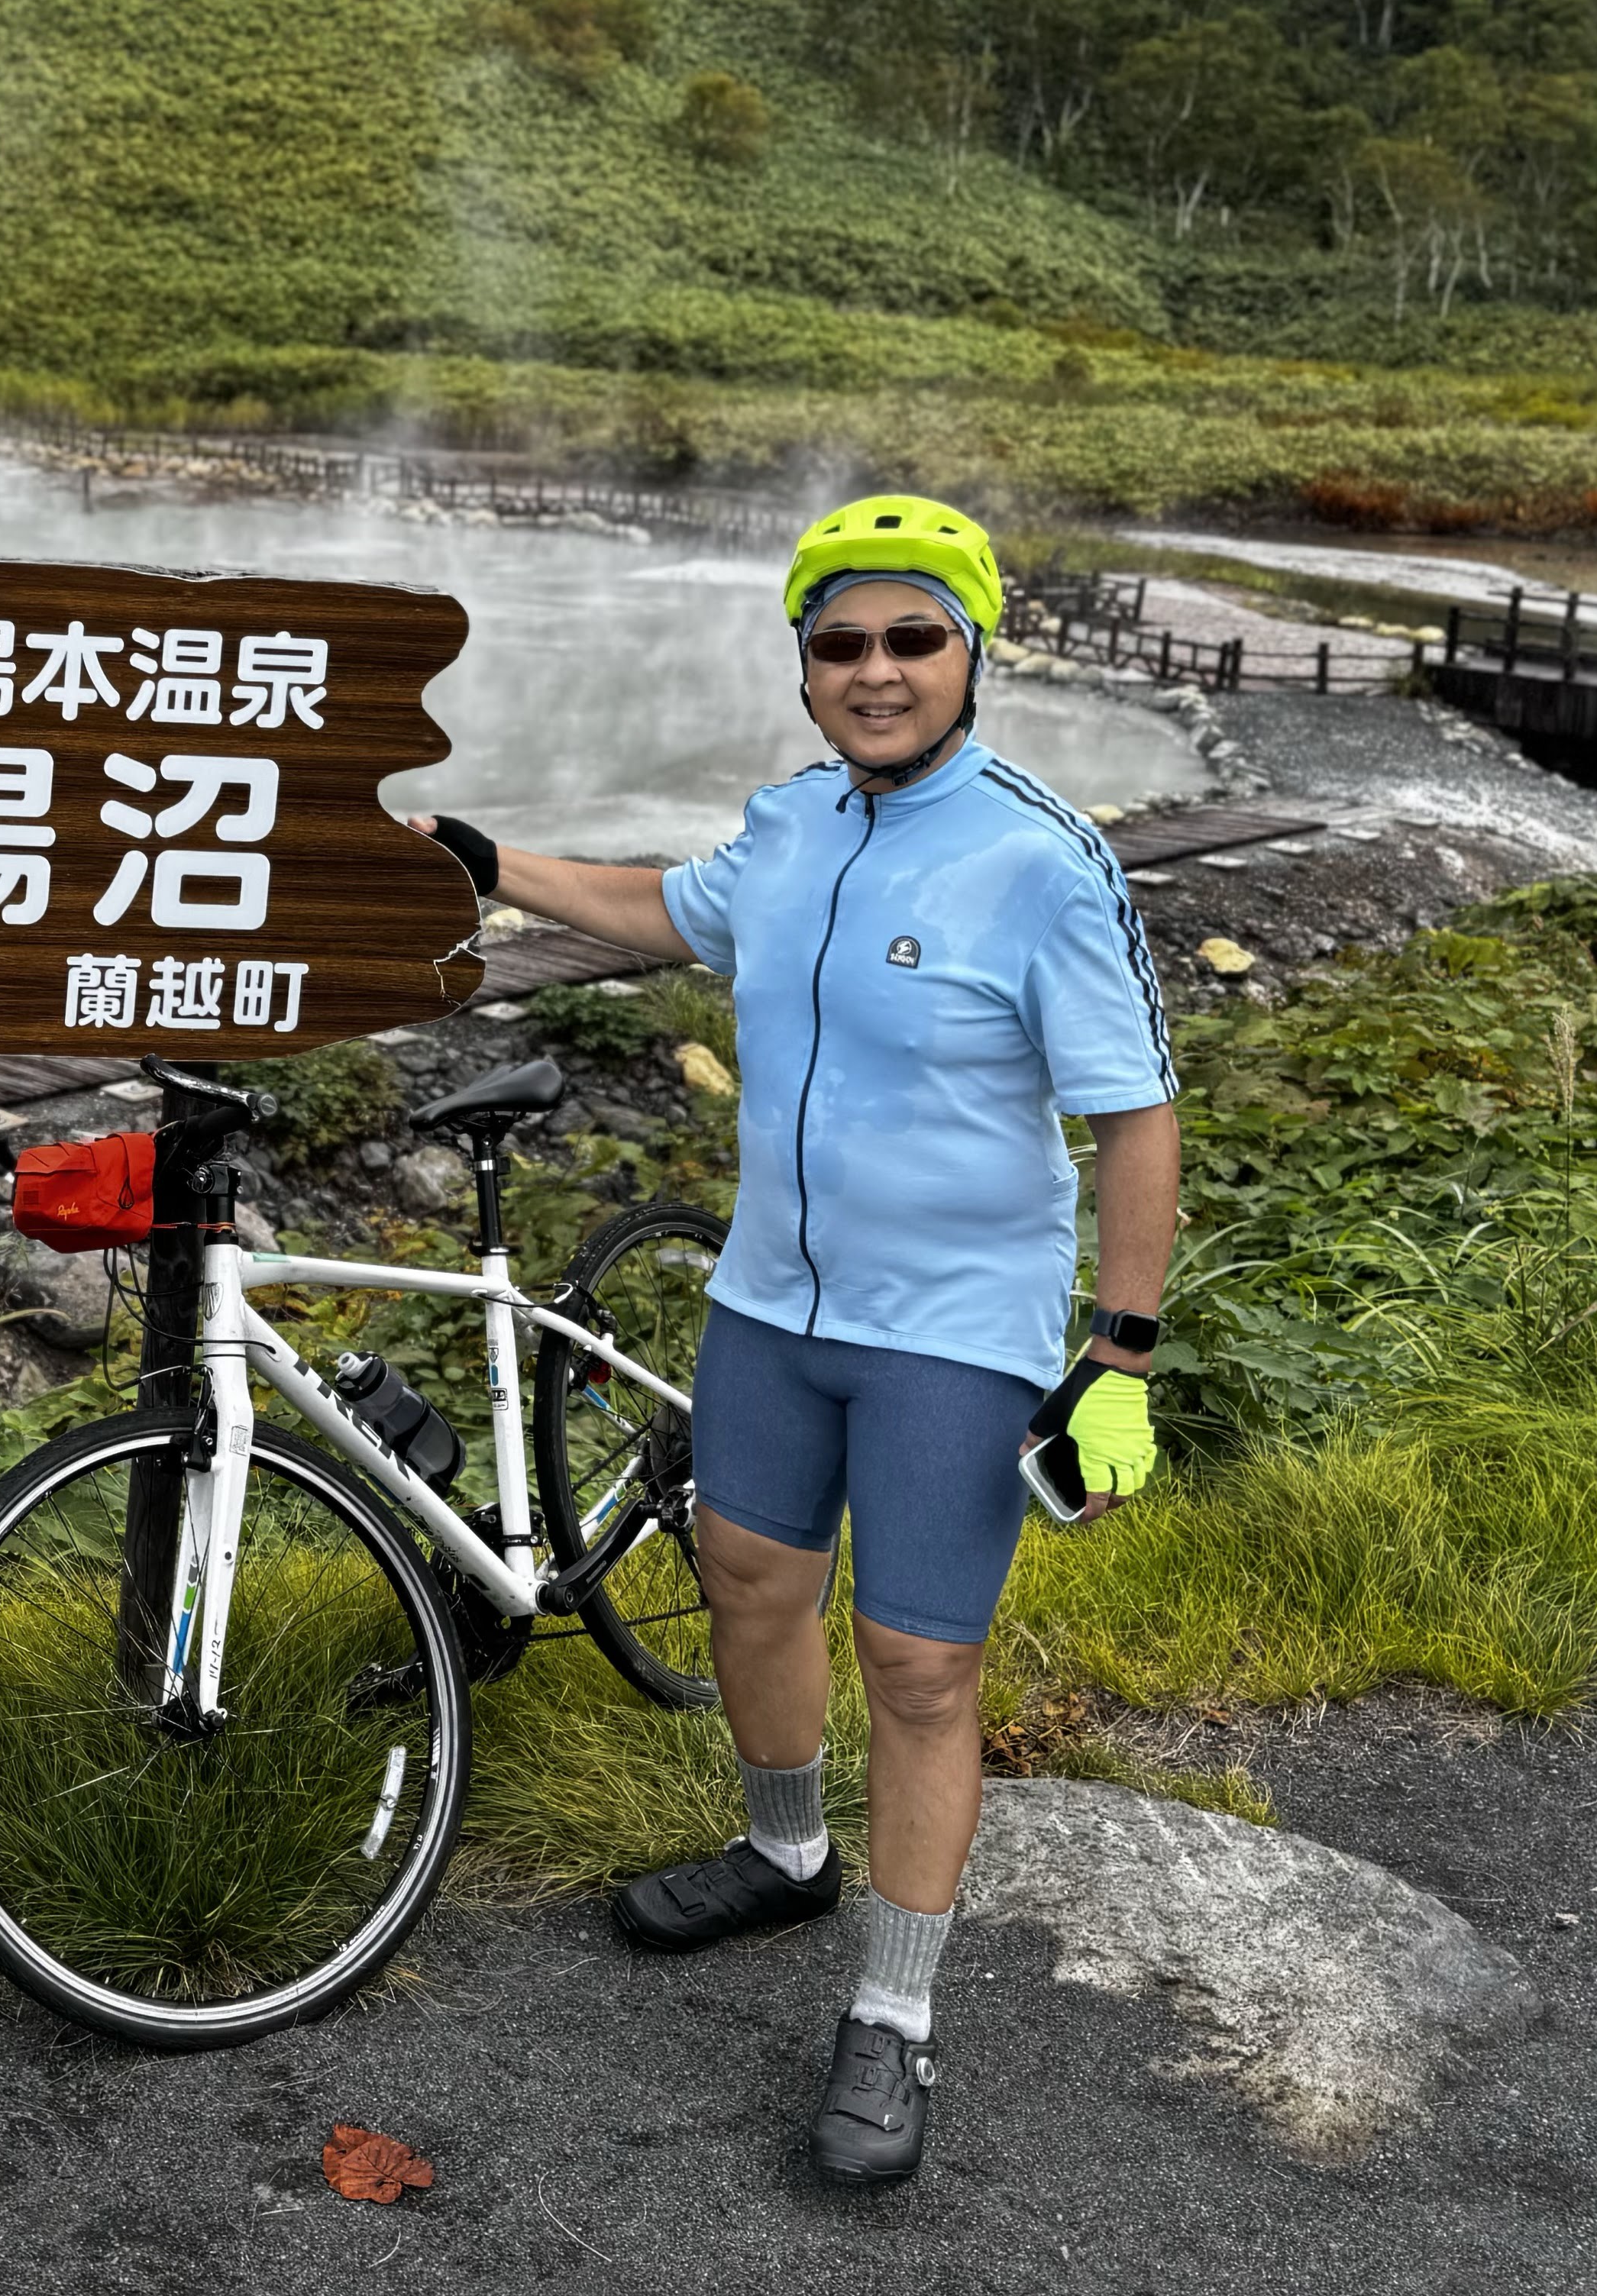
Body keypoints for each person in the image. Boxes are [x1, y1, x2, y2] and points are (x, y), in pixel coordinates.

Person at [411, 496, 1175, 2187]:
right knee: (747, 1574)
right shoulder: (792, 826)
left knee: (922, 1668)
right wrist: (487, 861)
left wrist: (1119, 1358)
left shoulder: (1043, 857)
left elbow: (1135, 1119)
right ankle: (786, 1855)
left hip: (955, 1333)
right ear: (807, 667)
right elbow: (668, 911)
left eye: (914, 638)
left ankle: (894, 2018)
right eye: (841, 644)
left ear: (975, 652)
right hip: (771, 1302)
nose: (878, 671)